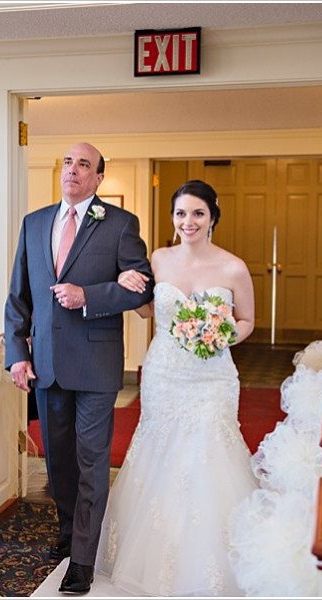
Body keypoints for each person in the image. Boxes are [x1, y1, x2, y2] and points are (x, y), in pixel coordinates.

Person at [94, 179, 258, 596]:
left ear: (213, 217)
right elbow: (148, 311)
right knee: (160, 452)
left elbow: (247, 321)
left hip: (213, 376)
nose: (189, 221)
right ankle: (154, 557)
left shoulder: (233, 267)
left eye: (198, 213)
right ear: (173, 218)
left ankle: (212, 563)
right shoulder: (159, 259)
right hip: (165, 372)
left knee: (209, 454)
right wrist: (129, 287)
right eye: (181, 213)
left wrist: (219, 334)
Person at [4, 142, 155, 595]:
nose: (72, 170)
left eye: (83, 164)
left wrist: (89, 296)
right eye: (67, 162)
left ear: (98, 177)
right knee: (59, 463)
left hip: (95, 365)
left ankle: (82, 562)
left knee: (91, 463)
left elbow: (141, 290)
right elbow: (19, 298)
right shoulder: (34, 223)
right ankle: (69, 530)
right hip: (46, 366)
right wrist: (17, 353)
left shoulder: (121, 225)